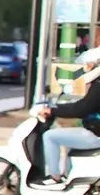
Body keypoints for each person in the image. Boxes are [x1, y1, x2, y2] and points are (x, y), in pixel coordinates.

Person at [38, 47, 100, 186]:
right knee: (69, 142)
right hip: (95, 131)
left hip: (95, 134)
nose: (86, 68)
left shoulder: (98, 86)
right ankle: (69, 180)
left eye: (89, 65)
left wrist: (53, 111)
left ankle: (54, 178)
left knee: (50, 136)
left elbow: (80, 109)